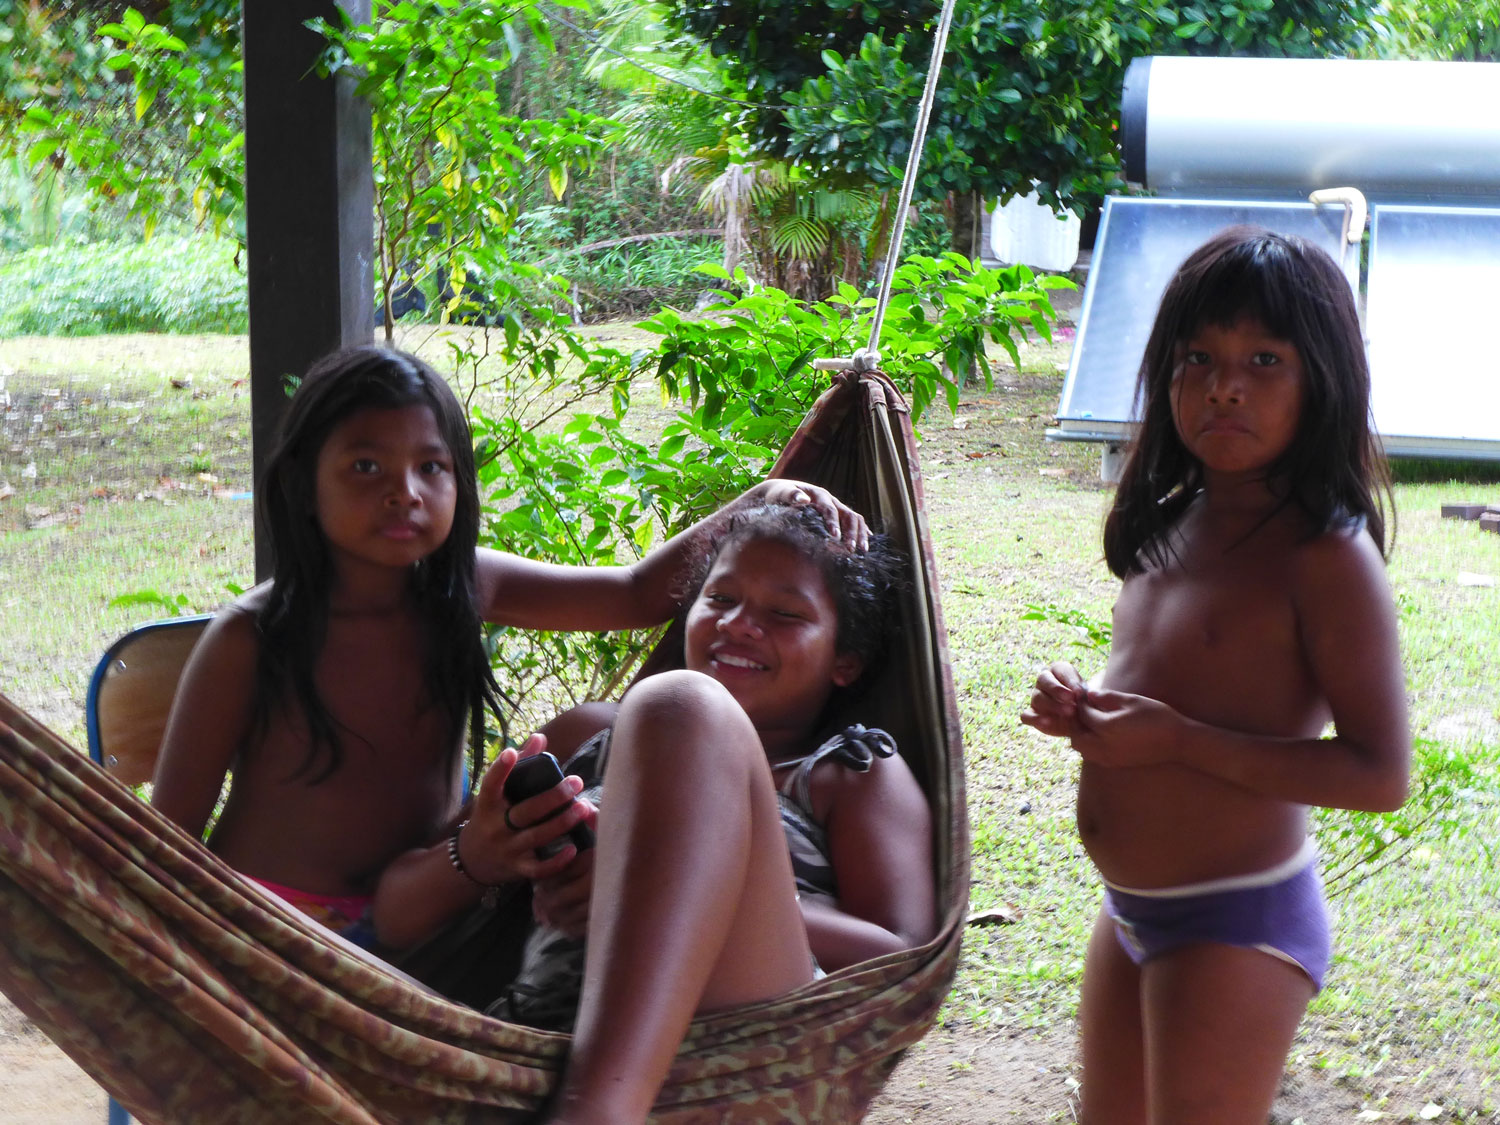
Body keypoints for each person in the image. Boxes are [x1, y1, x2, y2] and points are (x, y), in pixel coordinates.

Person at [150, 343, 868, 950]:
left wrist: (761, 499)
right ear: (306, 484)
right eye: (366, 467)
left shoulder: (463, 585)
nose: (406, 492)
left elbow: (632, 593)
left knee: (601, 730)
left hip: (435, 907)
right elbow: (163, 839)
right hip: (273, 929)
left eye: (431, 467)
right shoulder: (255, 638)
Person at [372, 502, 937, 1124]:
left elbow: (905, 971)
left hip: (746, 1055)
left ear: (844, 662)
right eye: (720, 600)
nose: (742, 625)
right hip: (535, 1047)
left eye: (784, 614)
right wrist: (479, 856)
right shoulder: (591, 735)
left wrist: (654, 882)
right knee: (676, 706)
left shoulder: (848, 774)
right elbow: (396, 919)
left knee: (688, 705)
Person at [1021, 226, 1412, 1125]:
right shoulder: (1170, 520)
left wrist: (1177, 742)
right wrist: (1090, 713)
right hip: (1128, 909)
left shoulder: (1325, 556)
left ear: (1323, 380)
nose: (1225, 385)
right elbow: (1172, 686)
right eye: (1200, 357)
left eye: (1264, 358)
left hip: (1238, 919)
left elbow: (1380, 774)